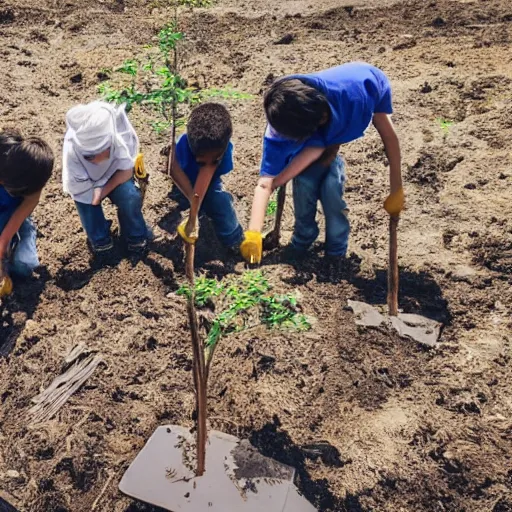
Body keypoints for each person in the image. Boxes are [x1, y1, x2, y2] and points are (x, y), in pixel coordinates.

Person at [240, 62, 405, 264]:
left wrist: (396, 187)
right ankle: (303, 238)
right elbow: (265, 183)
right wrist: (253, 233)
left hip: (353, 98)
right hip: (321, 131)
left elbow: (388, 136)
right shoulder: (281, 125)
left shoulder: (359, 93)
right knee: (304, 182)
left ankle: (335, 252)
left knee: (332, 192)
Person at [62, 101, 151, 254]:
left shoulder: (117, 139)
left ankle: (135, 236)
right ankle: (101, 242)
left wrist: (102, 192)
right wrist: (94, 197)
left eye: (102, 151)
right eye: (90, 156)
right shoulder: (73, 155)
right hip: (85, 186)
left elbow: (125, 171)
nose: (97, 158)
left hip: (114, 176)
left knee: (130, 196)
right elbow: (81, 192)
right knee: (88, 207)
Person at [170, 102, 243, 251]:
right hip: (184, 179)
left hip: (210, 184)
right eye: (202, 161)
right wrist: (193, 201)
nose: (209, 163)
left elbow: (206, 174)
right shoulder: (183, 144)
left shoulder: (220, 148)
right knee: (183, 198)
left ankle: (234, 239)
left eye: (215, 160)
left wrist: (194, 210)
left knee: (220, 202)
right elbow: (174, 170)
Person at [0, 129, 53, 288]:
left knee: (24, 267)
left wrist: (2, 248)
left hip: (13, 214)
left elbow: (30, 201)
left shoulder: (31, 173)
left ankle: (27, 232)